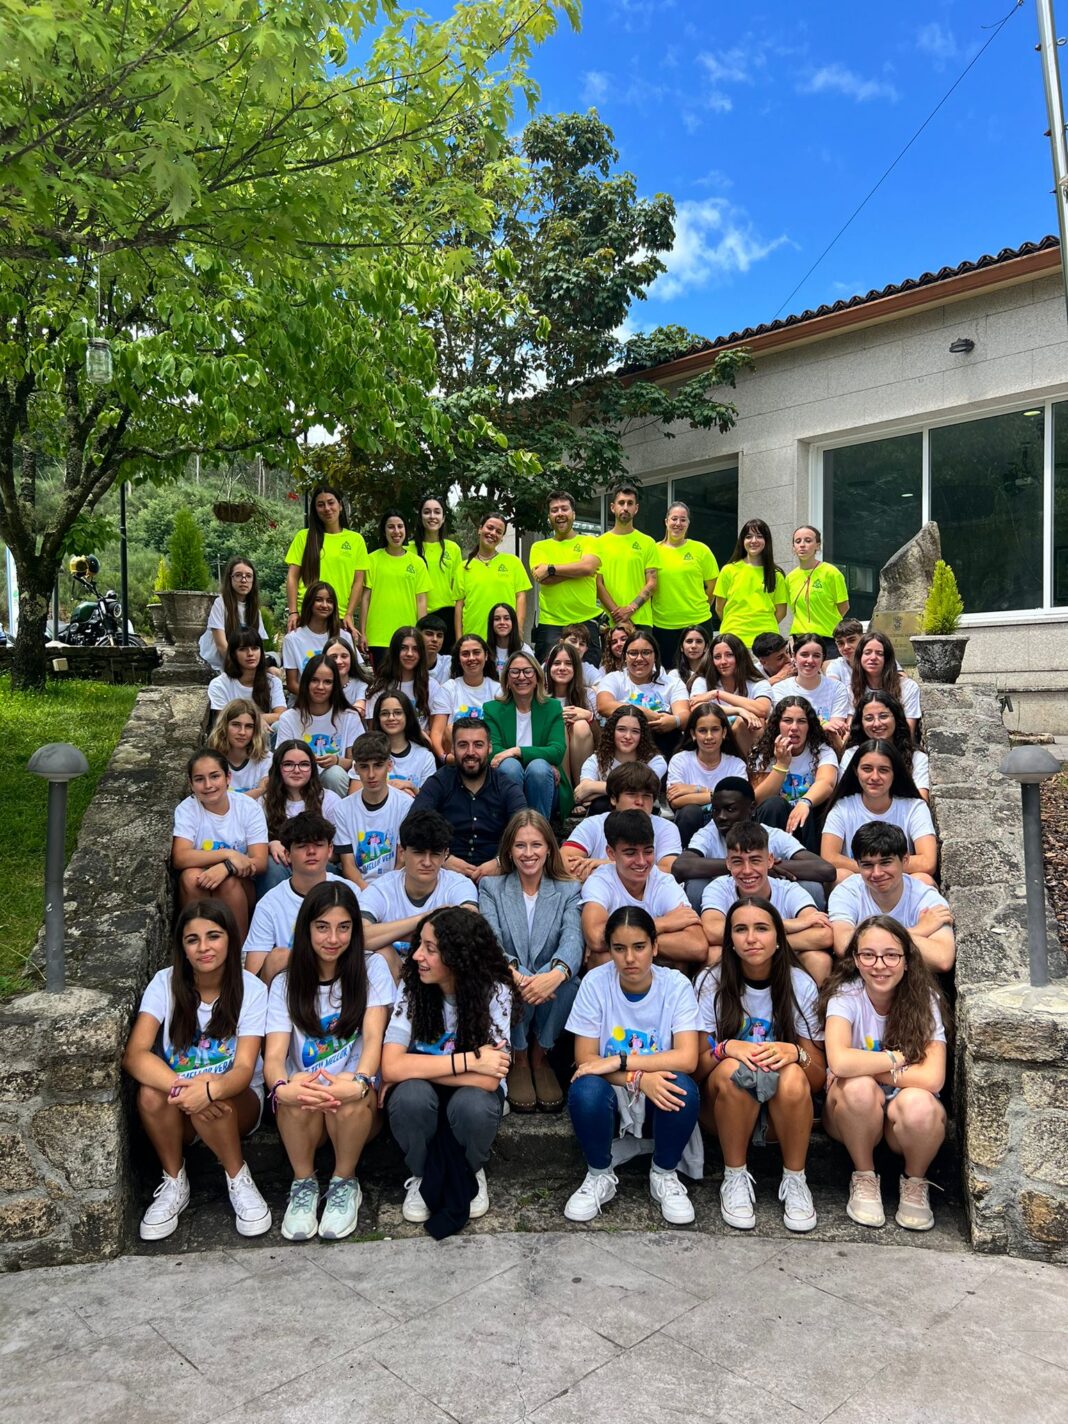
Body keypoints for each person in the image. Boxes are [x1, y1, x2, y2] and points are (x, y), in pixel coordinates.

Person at [123, 899, 271, 1241]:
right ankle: (174, 1181)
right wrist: (184, 1088)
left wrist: (207, 1090)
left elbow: (244, 1068)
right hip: (179, 1104)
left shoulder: (252, 989)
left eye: (214, 936)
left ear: (230, 939)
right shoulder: (164, 983)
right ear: (183, 948)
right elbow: (135, 1055)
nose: (204, 947)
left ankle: (238, 1177)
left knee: (211, 1092)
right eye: (193, 940)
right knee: (150, 1094)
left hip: (239, 1102)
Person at [265, 882, 394, 1241]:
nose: (333, 938)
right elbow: (273, 1056)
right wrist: (280, 1087)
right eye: (322, 927)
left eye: (343, 927)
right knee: (294, 1090)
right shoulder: (286, 982)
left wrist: (360, 1080)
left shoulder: (372, 968)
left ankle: (344, 1182)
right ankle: (303, 1184)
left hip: (355, 1103)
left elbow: (373, 1038)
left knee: (348, 1095)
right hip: (306, 1105)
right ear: (306, 928)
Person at [695, 897, 825, 1232]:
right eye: (741, 929)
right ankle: (735, 1176)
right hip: (723, 1110)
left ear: (779, 937)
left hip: (782, 1116)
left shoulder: (799, 983)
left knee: (793, 1075)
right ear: (730, 940)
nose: (751, 938)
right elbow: (694, 1069)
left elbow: (817, 1077)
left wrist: (795, 1053)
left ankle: (795, 1179)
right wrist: (725, 1048)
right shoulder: (711, 981)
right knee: (736, 1071)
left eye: (762, 928)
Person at [564, 905, 701, 1224]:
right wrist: (637, 1078)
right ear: (609, 950)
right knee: (585, 1089)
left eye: (639, 947)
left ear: (655, 946)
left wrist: (622, 1059)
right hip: (612, 1092)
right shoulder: (596, 983)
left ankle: (664, 1173)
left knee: (682, 1086)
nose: (629, 958)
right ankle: (599, 1174)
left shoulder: (676, 985)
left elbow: (687, 1058)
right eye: (619, 948)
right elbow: (586, 1060)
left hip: (657, 1095)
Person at [381, 907, 514, 1229]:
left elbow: (490, 1080)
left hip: (468, 1091)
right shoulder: (413, 986)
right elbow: (390, 1066)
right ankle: (422, 1174)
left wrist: (414, 1067)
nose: (417, 956)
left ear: (458, 956)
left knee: (474, 1104)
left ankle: (471, 1170)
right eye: (419, 945)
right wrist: (470, 1061)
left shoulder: (496, 990)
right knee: (410, 1097)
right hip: (429, 1087)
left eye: (430, 948)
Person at [820, 915, 950, 1231]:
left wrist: (869, 1068)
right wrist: (898, 1059)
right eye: (868, 955)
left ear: (907, 960)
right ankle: (864, 1176)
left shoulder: (925, 999)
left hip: (901, 1122)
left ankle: (915, 1181)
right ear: (855, 960)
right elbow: (839, 1062)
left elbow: (933, 1078)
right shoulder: (845, 996)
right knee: (858, 1088)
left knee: (920, 1103)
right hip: (851, 1115)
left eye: (891, 955)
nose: (880, 965)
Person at [478, 811, 582, 1112]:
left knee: (570, 983)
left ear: (549, 848)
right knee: (501, 984)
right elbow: (491, 940)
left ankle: (540, 1054)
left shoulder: (569, 889)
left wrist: (555, 974)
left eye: (536, 844)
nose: (528, 853)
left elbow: (573, 938)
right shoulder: (491, 887)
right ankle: (519, 1056)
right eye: (520, 845)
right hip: (510, 976)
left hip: (551, 984)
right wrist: (520, 977)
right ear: (509, 850)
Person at [672, 777, 836, 913]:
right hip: (721, 906)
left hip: (772, 906)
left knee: (811, 887)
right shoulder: (708, 833)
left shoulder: (772, 835)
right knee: (695, 885)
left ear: (752, 808)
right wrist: (742, 867)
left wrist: (764, 866)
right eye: (715, 810)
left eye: (730, 809)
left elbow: (826, 869)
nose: (721, 817)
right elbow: (680, 867)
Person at [698, 821, 834, 982]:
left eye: (755, 860)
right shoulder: (719, 888)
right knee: (713, 954)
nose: (747, 871)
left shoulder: (788, 890)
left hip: (782, 965)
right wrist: (788, 925)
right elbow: (711, 930)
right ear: (728, 863)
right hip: (738, 964)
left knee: (819, 959)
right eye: (737, 862)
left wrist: (765, 946)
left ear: (770, 860)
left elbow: (823, 934)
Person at [580, 810, 706, 973]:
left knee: (680, 959)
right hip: (617, 981)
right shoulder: (600, 881)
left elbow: (698, 946)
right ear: (611, 853)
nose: (641, 861)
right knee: (602, 957)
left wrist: (618, 943)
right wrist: (662, 924)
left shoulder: (664, 882)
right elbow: (596, 938)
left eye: (648, 851)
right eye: (630, 853)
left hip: (660, 979)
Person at [359, 809, 479, 978]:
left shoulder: (459, 885)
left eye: (435, 854)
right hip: (394, 974)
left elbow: (469, 933)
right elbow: (360, 937)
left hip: (442, 976)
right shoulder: (381, 888)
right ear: (402, 852)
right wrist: (427, 917)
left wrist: (389, 934)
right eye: (419, 853)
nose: (427, 862)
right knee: (382, 952)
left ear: (445, 854)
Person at [410, 717, 526, 881]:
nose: (471, 752)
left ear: (489, 748)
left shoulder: (505, 786)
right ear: (452, 749)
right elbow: (413, 824)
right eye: (463, 745)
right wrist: (443, 857)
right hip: (445, 875)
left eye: (478, 745)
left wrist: (501, 862)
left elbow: (525, 829)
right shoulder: (439, 782)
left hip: (499, 876)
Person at [828, 823, 955, 970]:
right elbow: (843, 945)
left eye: (885, 863)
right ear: (858, 864)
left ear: (905, 860)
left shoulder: (926, 897)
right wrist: (918, 930)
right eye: (867, 865)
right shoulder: (847, 892)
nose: (877, 873)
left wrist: (867, 944)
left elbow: (942, 960)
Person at [172, 749, 268, 942]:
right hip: (201, 882)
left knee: (228, 883)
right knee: (190, 877)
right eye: (199, 779)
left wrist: (226, 868)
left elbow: (260, 862)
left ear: (228, 778)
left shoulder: (248, 807)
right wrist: (228, 854)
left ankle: (239, 949)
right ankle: (197, 944)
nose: (208, 785)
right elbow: (180, 857)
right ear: (191, 784)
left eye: (215, 776)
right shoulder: (187, 809)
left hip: (240, 885)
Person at [244, 812, 343, 982]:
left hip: (341, 977)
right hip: (292, 985)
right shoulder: (269, 904)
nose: (311, 851)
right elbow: (253, 976)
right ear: (287, 854)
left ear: (330, 850)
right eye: (302, 846)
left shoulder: (350, 891)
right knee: (278, 957)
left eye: (318, 845)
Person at [820, 740, 937, 883]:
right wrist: (871, 869)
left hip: (899, 885)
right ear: (856, 771)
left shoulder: (915, 807)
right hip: (857, 884)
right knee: (840, 875)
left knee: (924, 880)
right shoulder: (842, 807)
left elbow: (927, 862)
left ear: (895, 773)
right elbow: (829, 857)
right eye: (867, 769)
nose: (875, 777)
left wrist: (878, 868)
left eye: (883, 770)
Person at [483, 651, 570, 823]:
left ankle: (539, 831)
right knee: (510, 767)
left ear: (537, 677)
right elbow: (493, 751)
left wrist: (516, 751)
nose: (521, 677)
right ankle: (512, 830)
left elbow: (557, 750)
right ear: (507, 679)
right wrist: (535, 758)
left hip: (544, 786)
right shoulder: (492, 709)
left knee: (538, 769)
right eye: (515, 672)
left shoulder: (552, 707)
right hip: (508, 780)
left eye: (528, 671)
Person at [750, 696, 839, 850]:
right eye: (787, 721)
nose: (794, 727)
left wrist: (804, 803)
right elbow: (759, 799)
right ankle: (769, 856)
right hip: (777, 819)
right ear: (777, 724)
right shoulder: (762, 753)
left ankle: (810, 860)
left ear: (809, 726)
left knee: (817, 807)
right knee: (773, 804)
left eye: (801, 721)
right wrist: (782, 764)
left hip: (809, 820)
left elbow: (827, 783)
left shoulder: (822, 750)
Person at [285, 486, 368, 643]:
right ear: (315, 510)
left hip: (339, 617)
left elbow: (358, 582)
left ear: (340, 506)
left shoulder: (356, 540)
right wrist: (293, 612)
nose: (327, 508)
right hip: (306, 616)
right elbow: (292, 577)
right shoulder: (304, 537)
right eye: (321, 505)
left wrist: (349, 614)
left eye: (331, 503)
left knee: (339, 658)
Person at [274, 653, 364, 795]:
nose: (320, 687)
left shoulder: (350, 717)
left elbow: (358, 764)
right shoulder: (289, 718)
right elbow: (282, 763)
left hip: (335, 784)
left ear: (335, 685)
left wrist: (336, 761)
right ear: (306, 682)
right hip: (298, 783)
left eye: (327, 682)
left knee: (334, 774)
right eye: (314, 680)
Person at [260, 741, 342, 893]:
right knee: (271, 866)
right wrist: (270, 845)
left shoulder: (330, 800)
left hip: (321, 866)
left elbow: (338, 853)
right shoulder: (264, 802)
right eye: (288, 764)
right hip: (281, 866)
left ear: (312, 768)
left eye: (304, 764)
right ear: (278, 768)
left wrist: (302, 856)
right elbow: (254, 848)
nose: (296, 770)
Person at [529, 490, 603, 661]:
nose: (560, 513)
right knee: (549, 674)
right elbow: (543, 579)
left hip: (586, 620)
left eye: (564, 509)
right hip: (551, 624)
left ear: (573, 514)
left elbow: (588, 567)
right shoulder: (539, 547)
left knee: (588, 674)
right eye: (554, 510)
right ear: (549, 517)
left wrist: (551, 568)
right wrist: (579, 571)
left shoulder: (590, 541)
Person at [334, 732, 412, 888]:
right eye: (364, 767)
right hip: (359, 888)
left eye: (378, 765)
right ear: (355, 769)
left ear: (389, 765)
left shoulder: (406, 804)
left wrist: (383, 893)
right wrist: (368, 893)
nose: (371, 774)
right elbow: (348, 865)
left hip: (395, 886)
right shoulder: (342, 809)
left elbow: (402, 861)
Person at [595, 629, 689, 756]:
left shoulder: (672, 683)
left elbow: (684, 715)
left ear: (655, 656)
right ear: (625, 657)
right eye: (633, 653)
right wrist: (643, 712)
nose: (639, 658)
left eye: (646, 652)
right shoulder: (613, 678)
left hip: (662, 743)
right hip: (624, 745)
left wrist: (674, 721)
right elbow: (603, 706)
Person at [666, 703, 749, 845]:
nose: (709, 736)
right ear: (693, 734)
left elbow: (738, 800)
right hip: (692, 822)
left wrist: (695, 790)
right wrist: (715, 795)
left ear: (724, 732)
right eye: (702, 731)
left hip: (727, 825)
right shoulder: (680, 760)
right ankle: (687, 855)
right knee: (690, 811)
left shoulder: (736, 764)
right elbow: (675, 801)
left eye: (715, 730)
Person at [651, 501, 719, 669]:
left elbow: (712, 586)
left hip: (698, 622)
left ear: (688, 523)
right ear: (666, 521)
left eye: (683, 520)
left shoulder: (701, 550)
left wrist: (698, 606)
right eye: (674, 519)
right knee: (668, 673)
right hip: (663, 625)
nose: (678, 523)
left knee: (703, 672)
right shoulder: (653, 550)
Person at [362, 509, 431, 666]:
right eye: (391, 527)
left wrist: (420, 635)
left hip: (408, 637)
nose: (396, 531)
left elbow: (421, 601)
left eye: (400, 526)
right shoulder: (372, 560)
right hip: (378, 637)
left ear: (406, 530)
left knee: (406, 679)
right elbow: (365, 598)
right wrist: (363, 633)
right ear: (384, 531)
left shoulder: (417, 563)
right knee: (382, 680)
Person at [688, 632, 772, 756]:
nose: (723, 661)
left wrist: (718, 694)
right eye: (717, 657)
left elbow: (763, 709)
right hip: (713, 739)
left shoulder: (757, 683)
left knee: (750, 721)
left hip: (748, 739)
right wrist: (738, 710)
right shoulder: (702, 681)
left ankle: (752, 765)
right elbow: (696, 708)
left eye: (729, 655)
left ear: (740, 656)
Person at [455, 510, 531, 641]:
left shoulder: (513, 562)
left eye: (499, 531)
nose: (493, 533)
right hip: (473, 639)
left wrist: (518, 631)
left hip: (505, 639)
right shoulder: (463, 567)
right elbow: (459, 607)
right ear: (480, 529)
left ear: (502, 538)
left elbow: (521, 597)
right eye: (490, 528)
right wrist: (459, 639)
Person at [574, 706, 667, 811]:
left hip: (643, 816)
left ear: (642, 735)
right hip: (605, 817)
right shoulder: (596, 760)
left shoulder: (655, 761)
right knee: (601, 804)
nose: (628, 736)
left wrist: (593, 787)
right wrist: (591, 789)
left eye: (635, 731)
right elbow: (582, 794)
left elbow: (641, 789)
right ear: (612, 731)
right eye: (621, 729)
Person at [841, 691, 930, 799]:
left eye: (883, 716)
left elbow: (921, 801)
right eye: (869, 718)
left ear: (896, 718)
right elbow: (842, 797)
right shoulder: (851, 754)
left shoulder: (916, 757)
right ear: (861, 723)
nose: (877, 724)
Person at [713, 519, 788, 646]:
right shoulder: (728, 570)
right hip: (733, 640)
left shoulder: (776, 575)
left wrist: (762, 627)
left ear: (767, 541)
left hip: (766, 643)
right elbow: (719, 608)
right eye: (748, 537)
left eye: (759, 536)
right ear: (742, 541)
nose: (754, 541)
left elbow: (781, 612)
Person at [595, 483, 660, 629]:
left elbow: (652, 583)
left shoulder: (648, 542)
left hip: (641, 620)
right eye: (621, 503)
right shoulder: (598, 544)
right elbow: (598, 584)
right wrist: (617, 613)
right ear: (613, 507)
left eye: (630, 503)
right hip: (610, 622)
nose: (625, 507)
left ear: (636, 509)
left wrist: (631, 608)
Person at [771, 632, 852, 746]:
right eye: (804, 655)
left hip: (825, 747)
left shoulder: (837, 688)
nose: (810, 660)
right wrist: (823, 724)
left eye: (816, 656)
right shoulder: (780, 689)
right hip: (791, 746)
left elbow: (835, 730)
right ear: (794, 656)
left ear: (823, 659)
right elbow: (786, 727)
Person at [428, 633, 500, 761]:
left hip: (488, 757)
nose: (471, 658)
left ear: (486, 656)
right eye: (465, 654)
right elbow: (437, 732)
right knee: (450, 729)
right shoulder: (449, 688)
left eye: (476, 652)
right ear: (459, 659)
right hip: (455, 758)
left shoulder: (497, 690)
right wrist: (444, 758)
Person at [281, 579, 352, 696]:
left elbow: (355, 675)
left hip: (341, 700)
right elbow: (292, 684)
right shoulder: (292, 639)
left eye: (329, 601)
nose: (324, 605)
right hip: (306, 701)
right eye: (318, 600)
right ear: (309, 602)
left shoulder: (345, 636)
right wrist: (318, 699)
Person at [784, 525, 849, 653]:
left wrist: (825, 622)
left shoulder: (831, 573)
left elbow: (844, 606)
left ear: (817, 546)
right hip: (800, 640)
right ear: (793, 547)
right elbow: (795, 612)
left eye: (808, 540)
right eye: (798, 541)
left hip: (828, 640)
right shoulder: (790, 578)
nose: (802, 545)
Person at [410, 494, 462, 653]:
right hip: (418, 616)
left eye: (437, 512)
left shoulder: (453, 549)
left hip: (448, 618)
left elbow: (457, 589)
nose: (432, 516)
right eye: (427, 512)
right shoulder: (408, 549)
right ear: (420, 517)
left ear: (443, 518)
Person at [199, 556, 269, 672]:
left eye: (248, 576)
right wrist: (241, 669)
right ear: (230, 578)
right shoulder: (221, 603)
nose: (243, 580)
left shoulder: (255, 610)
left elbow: (258, 646)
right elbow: (221, 645)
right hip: (216, 667)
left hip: (243, 668)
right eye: (238, 575)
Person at [543, 640, 598, 786]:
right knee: (559, 727)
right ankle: (566, 791)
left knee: (581, 726)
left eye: (568, 663)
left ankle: (581, 789)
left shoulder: (588, 695)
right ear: (549, 667)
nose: (562, 668)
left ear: (576, 668)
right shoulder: (539, 697)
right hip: (551, 760)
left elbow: (602, 739)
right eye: (556, 663)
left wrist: (589, 717)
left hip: (586, 758)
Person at [365, 625, 439, 732]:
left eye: (415, 649)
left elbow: (435, 731)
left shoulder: (431, 685)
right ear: (394, 651)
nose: (409, 654)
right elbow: (373, 731)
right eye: (403, 648)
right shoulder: (379, 686)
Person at [206, 630, 285, 728]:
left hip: (265, 733)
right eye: (243, 649)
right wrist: (255, 720)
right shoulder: (219, 684)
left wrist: (257, 719)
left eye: (255, 648)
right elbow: (223, 721)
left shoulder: (272, 681)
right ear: (233, 654)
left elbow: (281, 716)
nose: (250, 653)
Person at [850, 631, 921, 735]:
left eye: (879, 653)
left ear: (887, 659)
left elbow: (908, 732)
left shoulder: (907, 687)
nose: (873, 657)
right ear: (860, 657)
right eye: (867, 652)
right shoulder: (851, 689)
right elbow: (851, 730)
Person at [368, 690, 438, 793]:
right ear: (378, 718)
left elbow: (430, 798)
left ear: (407, 716)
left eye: (398, 713)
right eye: (384, 713)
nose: (391, 718)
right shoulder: (367, 752)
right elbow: (355, 794)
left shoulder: (425, 757)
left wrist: (412, 787)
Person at [206, 698, 272, 794]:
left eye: (249, 726)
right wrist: (259, 790)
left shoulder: (267, 759)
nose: (242, 732)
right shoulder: (209, 761)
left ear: (255, 730)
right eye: (236, 725)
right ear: (224, 726)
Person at [323, 636, 370, 716]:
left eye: (344, 656)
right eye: (333, 657)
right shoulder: (319, 685)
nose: (339, 661)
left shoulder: (361, 685)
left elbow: (359, 710)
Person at [487, 601, 534, 677]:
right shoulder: (484, 650)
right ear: (491, 623)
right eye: (497, 619)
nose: (502, 622)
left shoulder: (524, 650)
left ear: (513, 622)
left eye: (506, 618)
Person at [823, 617, 864, 684]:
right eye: (841, 643)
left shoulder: (873, 662)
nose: (846, 647)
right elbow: (832, 687)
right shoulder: (836, 666)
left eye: (851, 640)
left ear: (862, 639)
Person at [674, 624, 713, 693]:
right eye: (689, 641)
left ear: (706, 647)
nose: (694, 646)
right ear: (681, 647)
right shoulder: (675, 675)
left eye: (699, 641)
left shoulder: (714, 673)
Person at [416, 613, 451, 684]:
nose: (435, 639)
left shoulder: (448, 663)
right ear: (417, 636)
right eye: (429, 634)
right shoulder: (409, 661)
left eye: (439, 635)